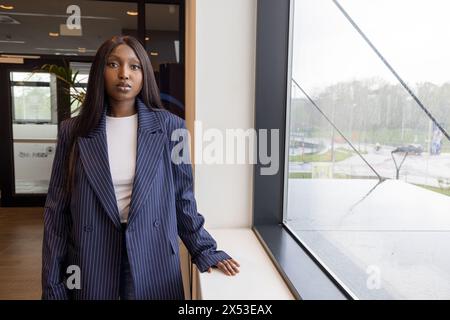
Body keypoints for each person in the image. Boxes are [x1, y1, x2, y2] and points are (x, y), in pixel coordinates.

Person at [41, 35, 240, 300]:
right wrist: (53, 284)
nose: (124, 74)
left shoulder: (172, 128)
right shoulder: (73, 131)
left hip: (152, 253)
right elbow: (57, 212)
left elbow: (183, 198)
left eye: (134, 66)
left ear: (144, 73)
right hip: (91, 256)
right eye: (113, 64)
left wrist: (204, 250)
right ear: (100, 71)